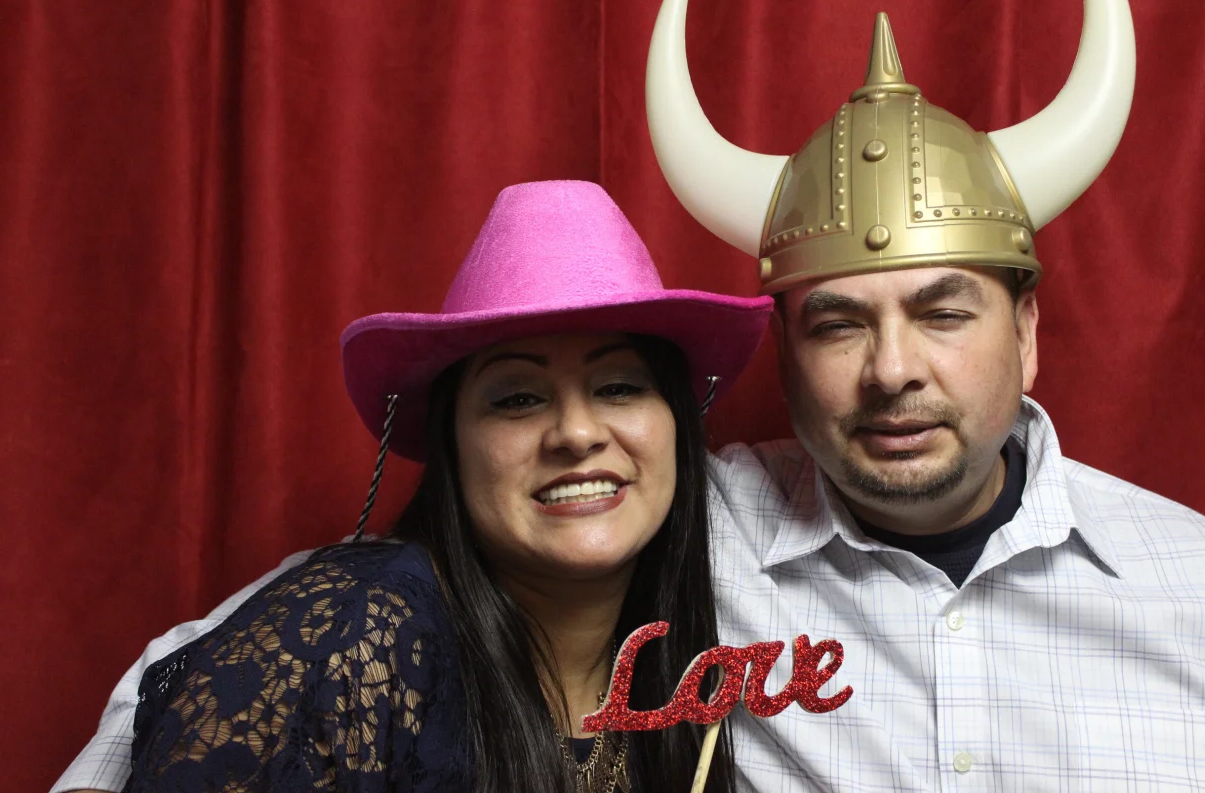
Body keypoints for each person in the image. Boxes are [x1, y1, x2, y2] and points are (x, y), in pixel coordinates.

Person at [57, 0, 1205, 791]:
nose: (890, 369)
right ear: (783, 350)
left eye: (940, 313)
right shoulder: (655, 518)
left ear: (1025, 331)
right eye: (835, 324)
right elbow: (203, 675)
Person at [102, 180, 772, 793]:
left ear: (677, 425)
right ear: (451, 443)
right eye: (517, 398)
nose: (575, 432)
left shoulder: (684, 668)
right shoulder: (358, 631)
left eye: (619, 386)